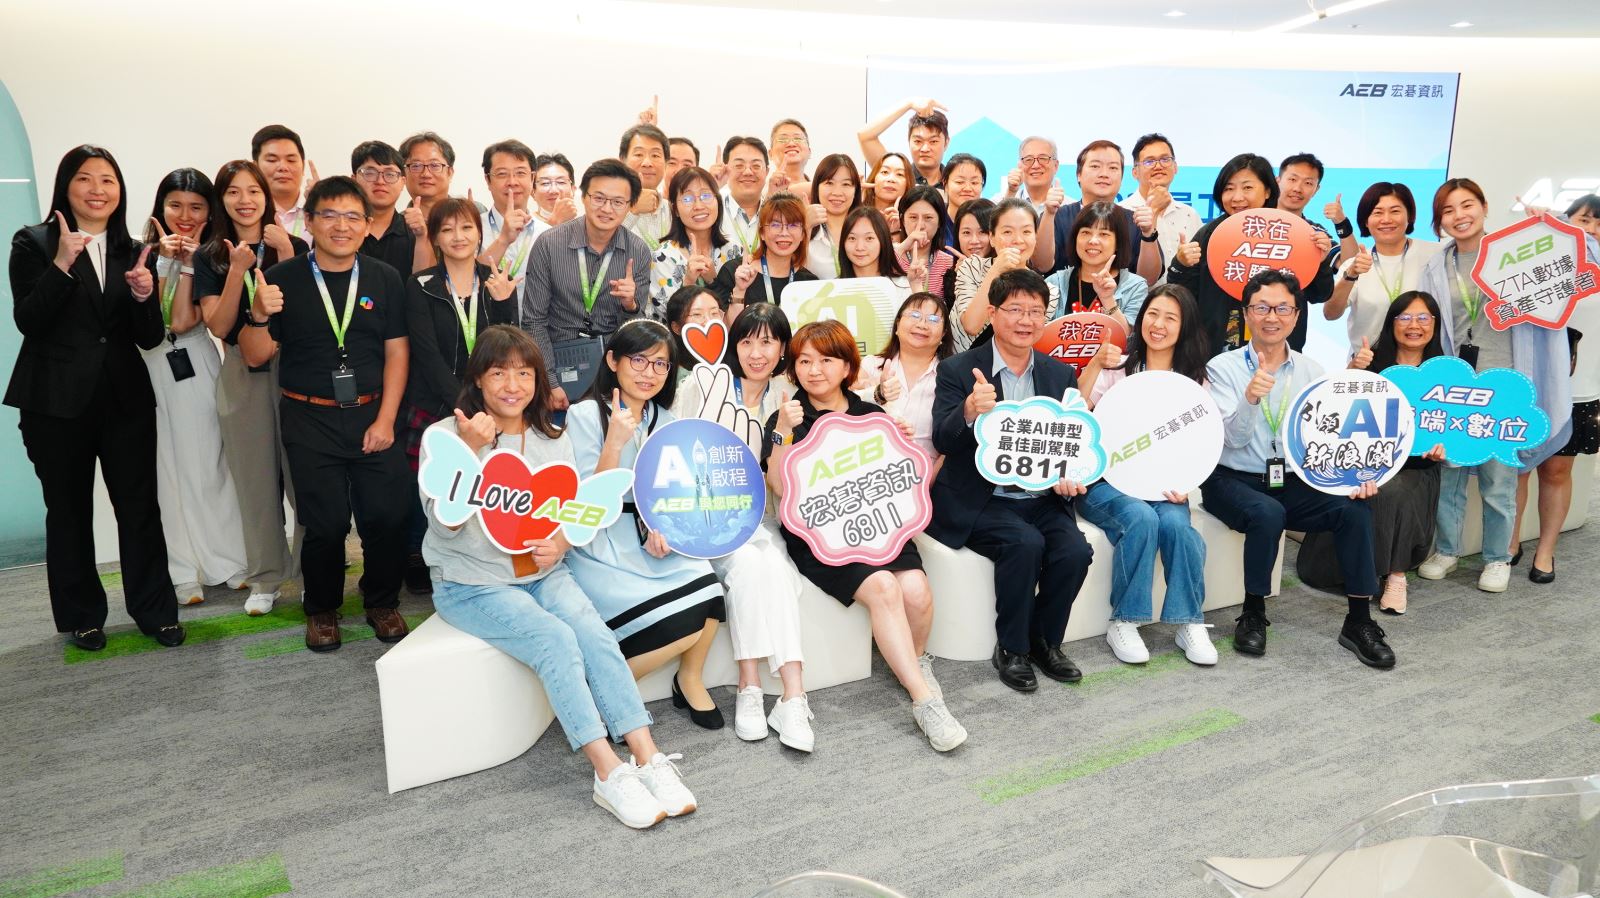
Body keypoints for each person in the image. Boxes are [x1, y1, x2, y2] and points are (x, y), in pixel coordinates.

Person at [422, 325, 697, 829]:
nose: (512, 385)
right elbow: (445, 524)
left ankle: (647, 754)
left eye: (524, 374)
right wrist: (471, 451)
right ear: (478, 379)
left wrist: (562, 543)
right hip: (472, 582)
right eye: (499, 373)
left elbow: (573, 514)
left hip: (543, 572)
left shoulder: (552, 436)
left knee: (594, 634)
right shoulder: (445, 436)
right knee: (555, 640)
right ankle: (607, 771)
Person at [8, 145, 184, 650]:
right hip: (55, 403)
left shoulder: (135, 249)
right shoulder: (34, 242)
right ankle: (82, 616)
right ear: (66, 186)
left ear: (119, 191)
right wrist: (62, 265)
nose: (97, 190)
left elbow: (148, 338)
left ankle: (156, 611)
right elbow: (28, 320)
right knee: (67, 511)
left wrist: (146, 297)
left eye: (108, 180)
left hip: (125, 400)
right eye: (85, 178)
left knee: (140, 509)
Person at [765, 320, 967, 751]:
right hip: (822, 538)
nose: (814, 370)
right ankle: (925, 701)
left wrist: (903, 443)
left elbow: (903, 476)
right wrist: (781, 432)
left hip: (879, 525)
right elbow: (780, 488)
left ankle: (915, 660)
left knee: (916, 590)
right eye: (804, 361)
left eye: (825, 360)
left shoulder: (870, 414)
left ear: (846, 367)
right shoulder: (788, 417)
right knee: (884, 588)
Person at [238, 176, 411, 652]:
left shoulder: (383, 278)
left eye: (353, 216)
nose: (341, 226)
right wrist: (257, 313)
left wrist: (386, 420)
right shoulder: (282, 278)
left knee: (386, 517)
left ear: (367, 224)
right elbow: (254, 355)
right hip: (309, 418)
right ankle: (321, 608)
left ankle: (381, 601)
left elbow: (397, 351)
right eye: (329, 215)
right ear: (309, 222)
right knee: (326, 523)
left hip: (373, 413)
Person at [1200, 269, 1394, 668]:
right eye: (1261, 308)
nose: (1272, 317)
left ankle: (1359, 621)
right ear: (1247, 313)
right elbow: (1231, 440)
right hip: (1230, 478)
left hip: (1291, 479)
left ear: (1296, 316)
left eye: (1282, 308)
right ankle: (1253, 612)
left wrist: (1353, 477)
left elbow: (1328, 437)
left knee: (1354, 510)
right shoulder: (1221, 367)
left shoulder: (1311, 371)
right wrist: (1250, 399)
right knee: (1267, 513)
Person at [928, 268, 1093, 691]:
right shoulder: (958, 369)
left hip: (1041, 497)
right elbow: (943, 439)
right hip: (982, 499)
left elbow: (1071, 443)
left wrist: (1069, 475)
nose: (1026, 321)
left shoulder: (1060, 374)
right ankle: (1012, 648)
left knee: (1075, 551)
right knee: (1024, 544)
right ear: (993, 313)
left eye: (1035, 312)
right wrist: (968, 410)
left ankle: (1045, 641)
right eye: (1015, 309)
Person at [565, 320, 727, 727]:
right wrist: (615, 441)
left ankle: (690, 679)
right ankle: (607, 693)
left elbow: (677, 492)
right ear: (612, 361)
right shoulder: (584, 414)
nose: (649, 373)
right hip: (602, 540)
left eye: (660, 364)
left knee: (710, 588)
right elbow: (585, 500)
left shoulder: (666, 419)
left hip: (652, 535)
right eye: (638, 360)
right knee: (679, 622)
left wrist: (666, 529)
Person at [1417, 178, 1573, 593]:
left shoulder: (1515, 252)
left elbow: (1580, 261)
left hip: (1505, 384)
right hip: (1454, 386)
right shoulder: (1437, 265)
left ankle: (1497, 557)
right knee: (1449, 474)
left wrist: (1553, 227)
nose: (1459, 216)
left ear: (1484, 207)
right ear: (1440, 220)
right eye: (1448, 210)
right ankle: (1447, 551)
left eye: (1467, 205)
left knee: (1499, 479)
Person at [670, 303, 814, 750]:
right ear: (733, 345)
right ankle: (760, 689)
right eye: (747, 341)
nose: (756, 353)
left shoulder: (787, 396)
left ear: (783, 348)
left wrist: (782, 432)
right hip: (702, 518)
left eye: (768, 342)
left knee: (769, 567)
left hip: (760, 520)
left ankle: (784, 695)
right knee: (756, 564)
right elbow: (671, 448)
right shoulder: (704, 384)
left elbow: (784, 474)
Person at [1074, 284, 1213, 664]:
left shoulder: (1194, 381)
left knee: (1178, 527)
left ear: (1185, 327)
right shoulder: (1117, 366)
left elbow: (1201, 441)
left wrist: (1188, 483)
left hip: (1163, 486)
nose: (1158, 324)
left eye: (1171, 318)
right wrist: (1095, 364)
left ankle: (1189, 620)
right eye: (1153, 314)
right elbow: (1076, 411)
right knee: (1140, 518)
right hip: (1106, 482)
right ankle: (1124, 619)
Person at [195, 159, 307, 616]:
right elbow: (218, 326)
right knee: (256, 482)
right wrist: (237, 270)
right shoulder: (210, 256)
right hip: (243, 373)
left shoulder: (294, 244)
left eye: (254, 191)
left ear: (267, 196)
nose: (245, 200)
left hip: (297, 366)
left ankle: (311, 572)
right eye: (234, 191)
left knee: (306, 479)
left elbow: (309, 312)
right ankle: (265, 577)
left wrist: (287, 253)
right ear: (222, 199)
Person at [400, 197, 522, 592]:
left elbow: (510, 345)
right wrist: (466, 404)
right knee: (433, 480)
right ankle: (419, 554)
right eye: (447, 229)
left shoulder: (495, 278)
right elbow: (426, 354)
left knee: (487, 480)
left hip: (492, 402)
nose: (458, 236)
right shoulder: (421, 286)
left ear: (479, 234)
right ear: (435, 238)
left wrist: (504, 303)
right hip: (437, 402)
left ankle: (486, 551)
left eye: (467, 227)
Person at [139, 168, 248, 605]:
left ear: (210, 211)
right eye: (175, 205)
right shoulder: (138, 252)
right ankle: (182, 571)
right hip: (149, 362)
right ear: (161, 207)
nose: (185, 216)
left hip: (195, 358)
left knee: (211, 463)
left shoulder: (212, 255)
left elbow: (184, 320)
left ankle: (228, 560)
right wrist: (161, 260)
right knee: (165, 469)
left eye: (196, 207)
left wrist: (186, 263)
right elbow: (151, 316)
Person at [1305, 291, 1448, 614]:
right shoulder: (1371, 362)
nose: (1414, 326)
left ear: (1435, 324)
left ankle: (1396, 576)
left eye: (1423, 318)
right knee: (1373, 487)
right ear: (1391, 323)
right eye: (1405, 317)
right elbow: (1336, 412)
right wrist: (1353, 370)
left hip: (1418, 465)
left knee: (1397, 490)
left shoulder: (1445, 373)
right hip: (1366, 460)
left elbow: (1455, 429)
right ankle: (1363, 570)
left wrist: (1444, 449)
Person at [1510, 194, 1600, 585]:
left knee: (1558, 470)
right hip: (1534, 384)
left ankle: (1546, 550)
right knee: (1518, 469)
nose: (1592, 230)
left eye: (1599, 224)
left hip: (1582, 388)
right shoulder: (1546, 263)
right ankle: (1509, 543)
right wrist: (1543, 228)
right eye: (1584, 220)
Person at [522, 159, 652, 411]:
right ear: (583, 196)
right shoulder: (549, 244)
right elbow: (533, 320)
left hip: (611, 372)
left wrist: (630, 305)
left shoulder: (638, 251)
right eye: (599, 198)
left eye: (618, 202)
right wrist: (549, 381)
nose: (607, 208)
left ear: (629, 206)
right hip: (557, 362)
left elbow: (634, 332)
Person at [1168, 153, 1283, 355]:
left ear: (1267, 191)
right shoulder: (1209, 234)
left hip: (1275, 349)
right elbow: (1183, 294)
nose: (1237, 197)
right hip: (1215, 351)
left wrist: (1319, 260)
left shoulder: (1286, 233)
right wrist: (1181, 264)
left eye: (1247, 187)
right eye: (1229, 189)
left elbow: (1319, 292)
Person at [1321, 182, 1443, 350]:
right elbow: (1330, 314)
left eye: (1395, 211)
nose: (1386, 220)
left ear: (1410, 216)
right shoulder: (1355, 264)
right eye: (1377, 212)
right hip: (1369, 360)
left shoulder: (1435, 254)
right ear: (1366, 221)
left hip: (1423, 359)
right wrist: (1350, 275)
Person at [1037, 140, 1160, 286]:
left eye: (1113, 168)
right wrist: (1049, 214)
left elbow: (1148, 280)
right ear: (1078, 174)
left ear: (1122, 178)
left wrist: (1148, 234)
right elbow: (1041, 265)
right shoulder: (1055, 216)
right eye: (1095, 166)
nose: (1104, 174)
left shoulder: (1136, 221)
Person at [854, 291, 953, 465]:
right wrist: (876, 393)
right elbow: (843, 410)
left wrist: (931, 478)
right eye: (914, 315)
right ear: (898, 324)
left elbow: (954, 438)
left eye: (933, 319)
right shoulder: (870, 366)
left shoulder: (952, 377)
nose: (922, 324)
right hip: (870, 470)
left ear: (944, 333)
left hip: (928, 474)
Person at [950, 198, 1060, 352]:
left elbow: (1028, 344)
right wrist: (996, 270)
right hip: (960, 363)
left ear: (1035, 237)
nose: (1018, 240)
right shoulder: (972, 267)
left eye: (1026, 232)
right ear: (992, 238)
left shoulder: (1047, 291)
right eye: (1007, 232)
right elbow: (971, 326)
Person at [648, 166, 739, 322]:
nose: (698, 206)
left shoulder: (734, 251)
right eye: (687, 199)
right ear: (675, 209)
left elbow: (739, 311)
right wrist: (688, 282)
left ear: (717, 201)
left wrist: (714, 281)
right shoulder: (663, 257)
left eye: (706, 196)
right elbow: (664, 318)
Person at [1043, 201, 1147, 327]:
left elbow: (1127, 335)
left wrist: (1108, 300)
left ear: (1118, 243)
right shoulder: (1054, 283)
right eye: (1086, 232)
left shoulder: (1135, 286)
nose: (1093, 241)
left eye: (1103, 234)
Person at [711, 192, 816, 317]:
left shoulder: (809, 283)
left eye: (793, 225)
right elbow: (725, 327)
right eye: (775, 225)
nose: (784, 233)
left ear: (803, 234)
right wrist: (739, 291)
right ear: (762, 233)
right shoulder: (735, 272)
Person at [1120, 133, 1201, 288]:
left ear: (1175, 167)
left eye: (1165, 159)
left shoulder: (1190, 214)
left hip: (1182, 299)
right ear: (1135, 172)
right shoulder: (1121, 212)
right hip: (1135, 301)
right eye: (1149, 161)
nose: (1158, 166)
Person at [480, 140, 549, 320]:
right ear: (488, 180)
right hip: (485, 330)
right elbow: (467, 279)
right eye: (502, 174)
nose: (512, 182)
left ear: (532, 178)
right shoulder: (472, 229)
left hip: (536, 332)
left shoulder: (548, 234)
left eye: (520, 173)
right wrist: (503, 239)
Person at [351, 140, 425, 279]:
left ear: (403, 182)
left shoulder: (415, 232)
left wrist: (422, 238)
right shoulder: (344, 228)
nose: (380, 181)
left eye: (390, 174)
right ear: (354, 179)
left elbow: (425, 284)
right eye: (370, 173)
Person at [398, 131, 461, 271]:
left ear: (450, 172)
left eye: (434, 165)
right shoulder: (396, 225)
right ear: (403, 174)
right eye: (416, 166)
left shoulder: (474, 213)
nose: (426, 174)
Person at [858, 98, 948, 188]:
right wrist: (909, 104)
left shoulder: (952, 182)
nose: (925, 149)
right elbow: (865, 136)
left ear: (946, 143)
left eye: (933, 141)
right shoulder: (897, 178)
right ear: (909, 141)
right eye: (918, 141)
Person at [803, 154, 862, 280]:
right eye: (829, 183)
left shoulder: (867, 227)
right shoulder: (803, 228)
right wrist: (806, 228)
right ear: (817, 187)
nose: (837, 192)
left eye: (846, 184)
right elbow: (793, 275)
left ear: (855, 190)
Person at [252, 124, 313, 239]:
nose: (283, 167)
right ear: (255, 167)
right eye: (272, 160)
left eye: (291, 160)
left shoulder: (318, 209)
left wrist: (321, 205)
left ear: (303, 166)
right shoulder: (247, 210)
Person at [896, 186, 957, 301]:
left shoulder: (948, 263)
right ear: (902, 220)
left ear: (940, 222)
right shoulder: (890, 256)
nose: (920, 225)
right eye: (913, 217)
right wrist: (902, 248)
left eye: (928, 218)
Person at [619, 124, 672, 249]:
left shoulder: (675, 212)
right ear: (622, 161)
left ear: (666, 163)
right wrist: (633, 211)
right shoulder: (607, 207)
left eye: (655, 155)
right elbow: (601, 249)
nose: (647, 163)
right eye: (638, 154)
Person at [718, 138, 768, 257]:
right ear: (725, 169)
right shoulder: (712, 210)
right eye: (739, 165)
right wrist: (712, 185)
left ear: (767, 171)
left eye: (756, 166)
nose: (748, 172)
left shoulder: (777, 212)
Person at [662, 285, 726, 379]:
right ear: (676, 327)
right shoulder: (668, 370)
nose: (709, 321)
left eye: (714, 313)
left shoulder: (728, 357)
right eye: (697, 314)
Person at [995, 136, 1064, 216]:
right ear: (1019, 166)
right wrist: (1011, 193)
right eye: (1028, 159)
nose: (1036, 165)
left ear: (1056, 166)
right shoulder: (998, 203)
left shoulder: (1071, 209)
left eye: (1043, 158)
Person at [947, 198, 993, 299]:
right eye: (966, 232)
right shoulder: (951, 276)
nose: (974, 241)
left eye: (982, 232)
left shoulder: (1008, 272)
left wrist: (972, 273)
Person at [863, 152, 912, 238]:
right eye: (885, 172)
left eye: (900, 174)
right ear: (874, 178)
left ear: (908, 184)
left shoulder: (911, 221)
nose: (891, 179)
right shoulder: (853, 210)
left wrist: (895, 232)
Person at [533, 153, 581, 228]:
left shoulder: (586, 226)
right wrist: (554, 222)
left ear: (573, 190)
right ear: (533, 193)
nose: (554, 190)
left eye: (561, 182)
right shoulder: (524, 226)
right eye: (545, 183)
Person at [769, 119, 813, 200]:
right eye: (782, 140)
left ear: (809, 152)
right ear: (770, 154)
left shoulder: (824, 194)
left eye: (798, 139)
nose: (791, 144)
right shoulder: (759, 191)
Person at [940, 153, 987, 227]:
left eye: (974, 182)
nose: (968, 189)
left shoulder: (990, 223)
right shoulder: (936, 222)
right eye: (960, 182)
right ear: (945, 184)